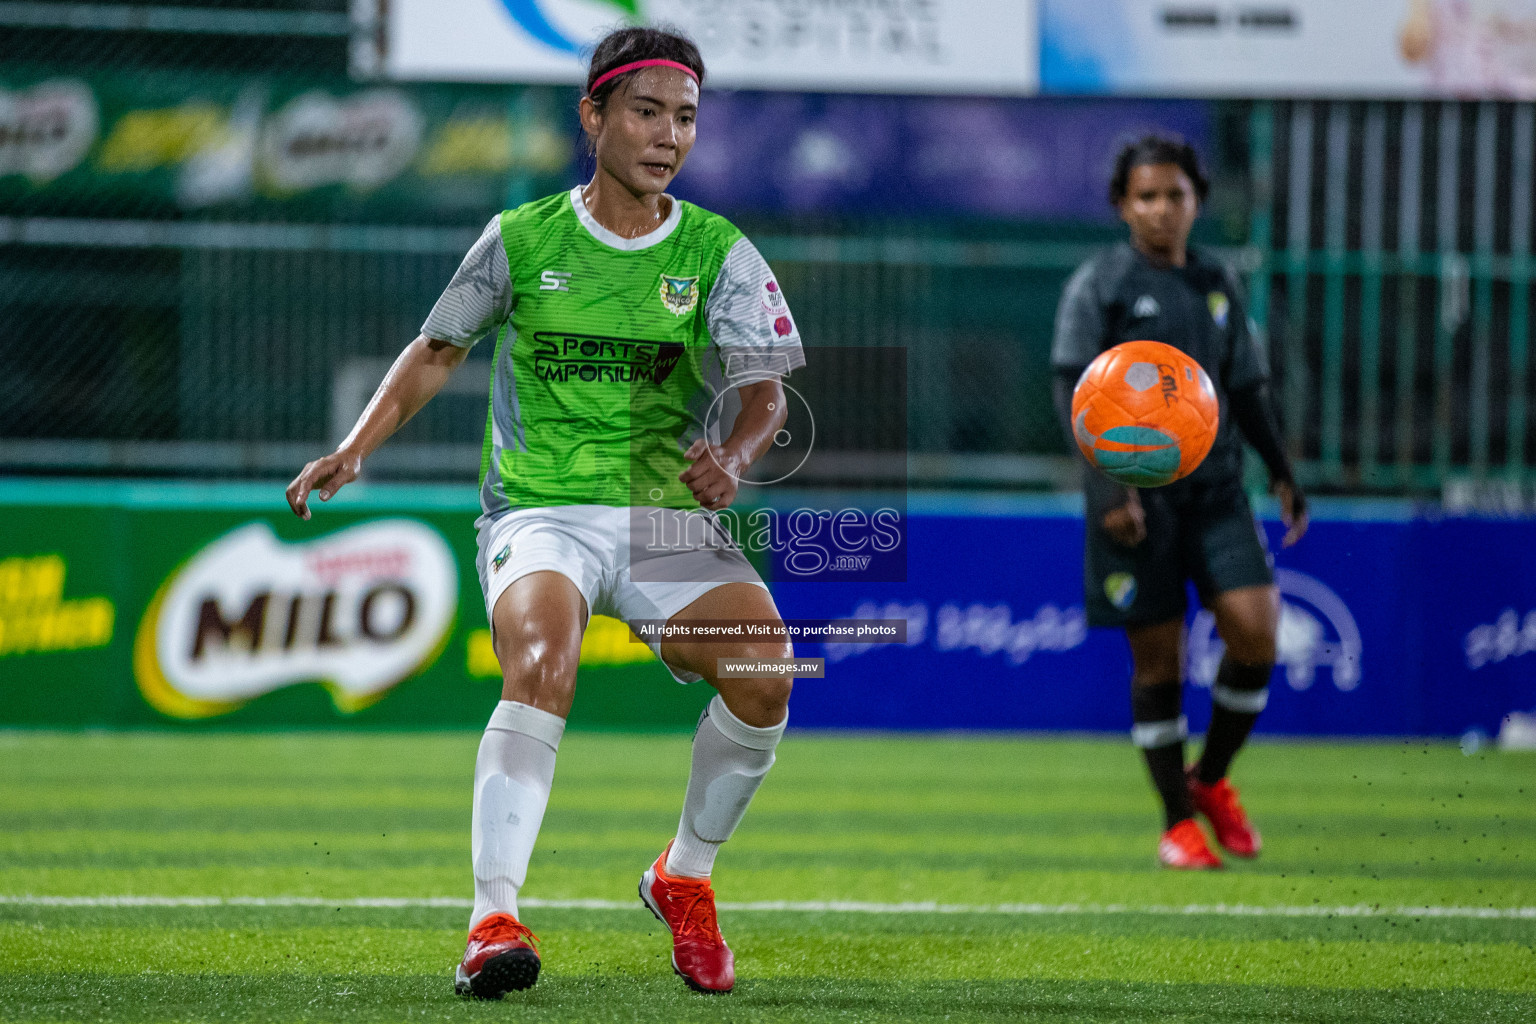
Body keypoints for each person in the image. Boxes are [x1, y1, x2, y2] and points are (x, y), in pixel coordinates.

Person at [286, 27, 805, 996]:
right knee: (540, 664)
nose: (668, 135)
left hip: (661, 519)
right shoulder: (521, 238)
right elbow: (437, 348)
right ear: (594, 115)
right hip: (540, 511)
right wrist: (356, 448)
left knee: (766, 672)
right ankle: (493, 918)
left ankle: (683, 876)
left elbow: (766, 390)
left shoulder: (717, 250)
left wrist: (732, 457)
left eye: (685, 117)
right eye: (647, 111)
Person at [1050, 135, 1308, 870]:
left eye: (1177, 195)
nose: (1163, 209)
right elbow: (1070, 393)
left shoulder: (1217, 282)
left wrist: (1284, 470)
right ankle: (1176, 823)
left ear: (1198, 201)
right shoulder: (1099, 284)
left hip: (1219, 491)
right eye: (1147, 196)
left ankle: (1213, 779)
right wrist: (1109, 490)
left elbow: (1247, 389)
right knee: (1158, 664)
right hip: (1136, 506)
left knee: (1256, 635)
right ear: (1122, 205)